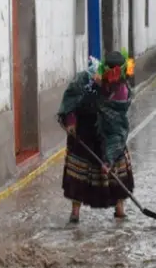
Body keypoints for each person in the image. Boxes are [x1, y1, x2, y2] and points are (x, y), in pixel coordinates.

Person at [57, 50, 136, 223]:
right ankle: (75, 213)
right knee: (79, 170)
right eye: (110, 82)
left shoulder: (122, 92)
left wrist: (109, 159)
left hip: (108, 129)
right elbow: (70, 99)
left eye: (117, 83)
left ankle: (119, 209)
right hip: (83, 127)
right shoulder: (85, 79)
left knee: (118, 166)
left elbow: (117, 128)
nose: (113, 86)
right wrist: (71, 121)